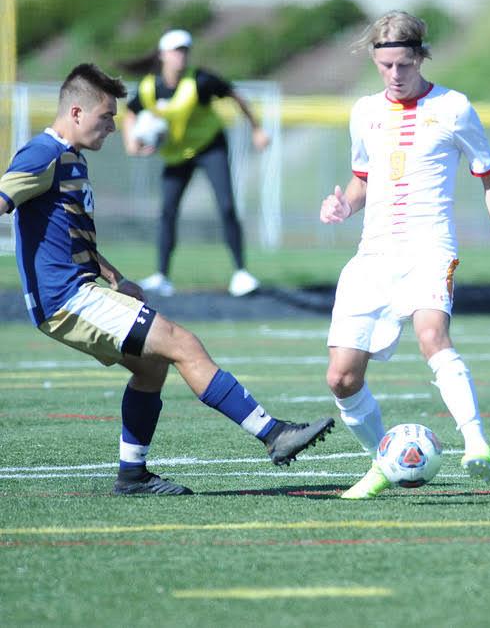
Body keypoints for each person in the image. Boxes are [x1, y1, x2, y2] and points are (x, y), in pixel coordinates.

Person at [0, 63, 334, 495]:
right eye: (106, 117)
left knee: (152, 368)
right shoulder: (41, 153)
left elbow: (69, 235)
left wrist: (116, 278)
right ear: (77, 112)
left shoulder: (71, 158)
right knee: (183, 342)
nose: (113, 127)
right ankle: (273, 434)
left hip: (81, 292)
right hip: (66, 298)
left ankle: (133, 474)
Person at [318, 11, 490, 499]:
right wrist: (342, 205)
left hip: (429, 247)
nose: (394, 76)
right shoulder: (364, 112)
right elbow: (362, 181)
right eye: (385, 66)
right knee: (341, 377)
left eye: (403, 64)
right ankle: (384, 463)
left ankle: (477, 444)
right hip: (372, 255)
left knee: (431, 334)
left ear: (420, 56)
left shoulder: (454, 107)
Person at [121, 29, 267, 298]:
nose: (181, 56)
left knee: (226, 205)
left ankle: (241, 274)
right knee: (167, 211)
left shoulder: (200, 80)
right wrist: (130, 143)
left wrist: (257, 129)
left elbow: (235, 95)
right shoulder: (149, 87)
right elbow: (131, 112)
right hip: (177, 155)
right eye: (176, 51)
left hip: (210, 146)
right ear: (163, 55)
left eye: (185, 50)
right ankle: (162, 276)